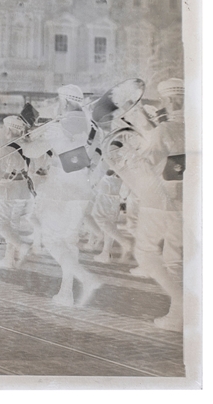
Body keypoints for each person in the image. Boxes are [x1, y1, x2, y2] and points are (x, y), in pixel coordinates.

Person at [107, 78, 184, 331]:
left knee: (146, 254)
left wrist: (121, 156)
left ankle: (181, 305)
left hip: (162, 200)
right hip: (186, 199)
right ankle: (178, 313)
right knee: (175, 257)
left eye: (165, 100)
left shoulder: (165, 130)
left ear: (170, 101)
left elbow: (145, 159)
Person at [19, 84, 102, 306]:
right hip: (81, 190)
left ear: (64, 101)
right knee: (69, 241)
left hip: (59, 190)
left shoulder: (57, 127)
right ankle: (66, 292)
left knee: (52, 240)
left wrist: (25, 137)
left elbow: (31, 152)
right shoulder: (93, 128)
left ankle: (86, 278)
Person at [0, 116, 34, 269]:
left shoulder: (5, 148)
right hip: (22, 190)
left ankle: (22, 246)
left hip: (7, 189)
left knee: (1, 224)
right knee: (13, 227)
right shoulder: (27, 147)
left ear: (8, 129)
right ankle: (9, 260)